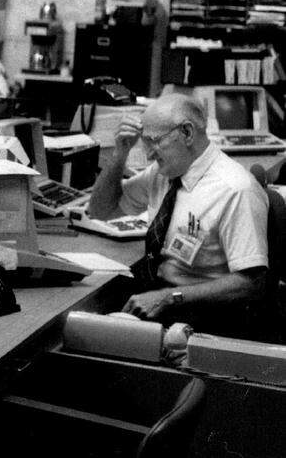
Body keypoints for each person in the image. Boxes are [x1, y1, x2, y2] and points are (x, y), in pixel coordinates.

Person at [87, 93, 268, 336]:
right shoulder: (163, 173)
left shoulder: (235, 189)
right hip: (157, 298)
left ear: (187, 133)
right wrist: (120, 154)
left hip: (202, 318)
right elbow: (101, 210)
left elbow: (251, 283)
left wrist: (169, 298)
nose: (149, 154)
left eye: (154, 141)